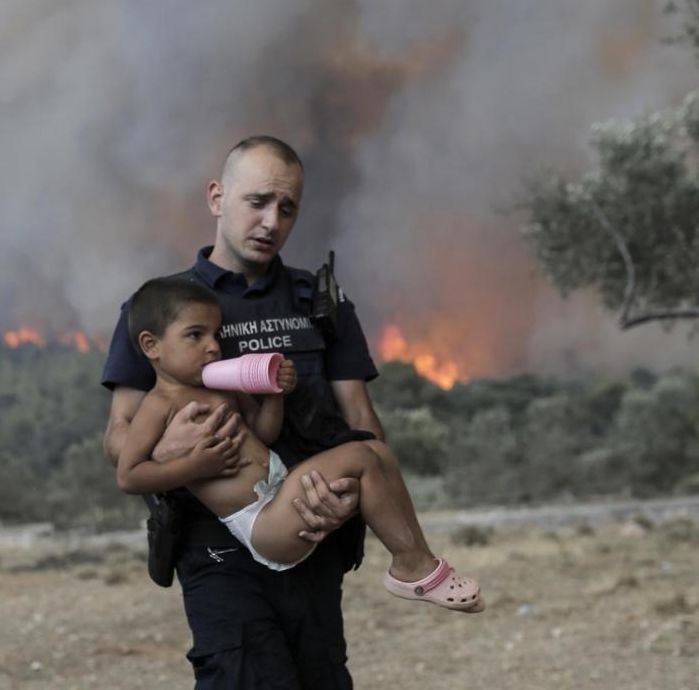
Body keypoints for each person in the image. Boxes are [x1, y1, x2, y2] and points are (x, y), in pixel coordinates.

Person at [101, 135, 384, 688]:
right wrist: (173, 447)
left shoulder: (321, 301)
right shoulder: (162, 306)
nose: (271, 221)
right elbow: (118, 435)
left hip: (312, 534)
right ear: (217, 197)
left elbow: (362, 420)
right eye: (257, 202)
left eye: (287, 208)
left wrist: (348, 499)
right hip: (217, 547)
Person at [115, 277, 483, 612]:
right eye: (196, 335)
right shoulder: (158, 405)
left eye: (216, 334)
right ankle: (411, 566)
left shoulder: (223, 386)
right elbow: (129, 476)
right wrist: (195, 467)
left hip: (281, 491)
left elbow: (264, 434)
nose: (213, 347)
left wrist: (275, 394)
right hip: (260, 522)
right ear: (152, 345)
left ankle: (417, 557)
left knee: (375, 452)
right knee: (359, 455)